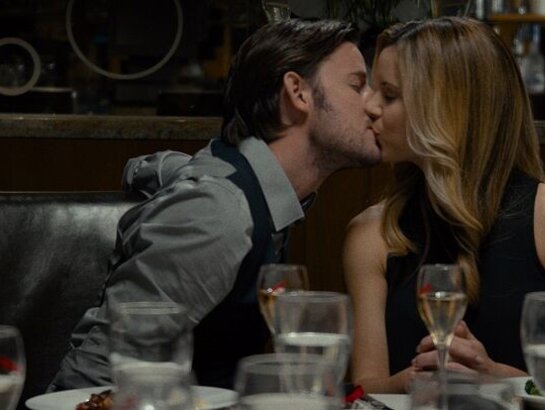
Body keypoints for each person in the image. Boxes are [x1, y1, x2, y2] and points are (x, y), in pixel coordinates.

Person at [49, 18, 381, 391]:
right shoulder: (219, 214)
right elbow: (93, 378)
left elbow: (154, 167)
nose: (375, 106)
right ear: (298, 93)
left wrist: (168, 172)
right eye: (358, 85)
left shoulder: (254, 190)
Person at [342, 17, 545, 394]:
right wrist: (413, 381)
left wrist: (493, 376)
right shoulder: (373, 233)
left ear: (448, 108)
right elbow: (363, 389)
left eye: (390, 94)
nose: (369, 106)